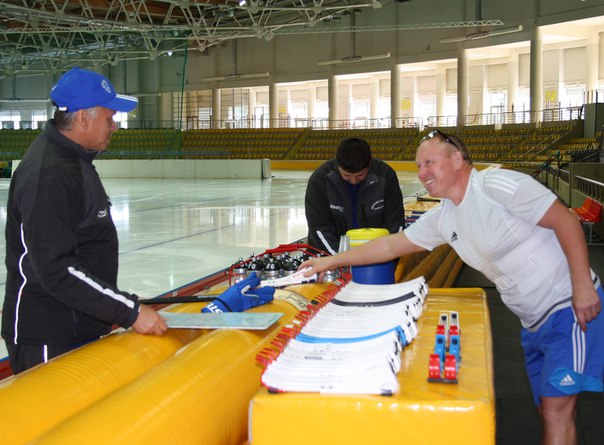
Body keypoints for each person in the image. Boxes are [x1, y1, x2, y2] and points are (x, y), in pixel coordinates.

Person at [300, 129, 603, 445]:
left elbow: (566, 221)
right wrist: (328, 262)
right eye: (418, 166)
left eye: (429, 162)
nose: (422, 173)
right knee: (548, 409)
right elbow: (389, 246)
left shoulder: (494, 185)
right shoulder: (446, 217)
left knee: (556, 411)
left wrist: (582, 286)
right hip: (532, 321)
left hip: (566, 307)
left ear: (458, 158)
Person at [2, 67, 168, 374]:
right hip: (49, 333)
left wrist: (112, 308)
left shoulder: (73, 161)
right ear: (83, 118)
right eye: (109, 117)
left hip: (77, 323)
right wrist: (129, 311)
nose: (115, 126)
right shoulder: (50, 175)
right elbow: (57, 269)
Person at [304, 137, 404, 254]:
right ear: (338, 165)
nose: (353, 181)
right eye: (346, 175)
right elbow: (319, 228)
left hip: (378, 254)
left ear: (369, 164)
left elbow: (395, 223)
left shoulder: (385, 176)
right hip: (330, 254)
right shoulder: (320, 180)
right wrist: (340, 258)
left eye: (360, 175)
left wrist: (383, 254)